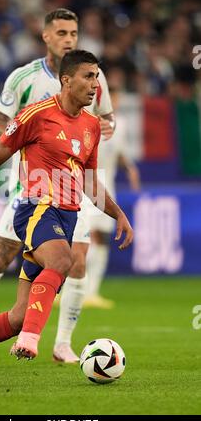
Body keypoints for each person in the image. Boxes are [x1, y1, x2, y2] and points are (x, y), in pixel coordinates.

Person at [0, 50, 133, 382]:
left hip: (68, 215)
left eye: (97, 77)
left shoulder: (91, 125)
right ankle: (31, 339)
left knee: (19, 315)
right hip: (36, 209)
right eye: (89, 76)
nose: (95, 84)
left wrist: (118, 214)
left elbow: (90, 181)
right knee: (63, 260)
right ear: (67, 79)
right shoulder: (35, 114)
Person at [0, 8, 116, 364]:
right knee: (0, 256)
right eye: (61, 33)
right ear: (46, 36)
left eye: (73, 33)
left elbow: (104, 119)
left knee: (77, 262)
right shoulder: (23, 77)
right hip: (30, 182)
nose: (68, 39)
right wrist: (31, 138)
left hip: (75, 183)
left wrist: (107, 127)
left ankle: (62, 344)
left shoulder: (92, 79)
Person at [84, 88, 141, 308]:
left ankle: (91, 292)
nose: (112, 101)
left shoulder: (120, 124)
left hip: (108, 184)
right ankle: (70, 287)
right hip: (86, 183)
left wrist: (129, 168)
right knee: (82, 237)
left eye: (115, 98)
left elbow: (119, 152)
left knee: (102, 237)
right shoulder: (85, 118)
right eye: (109, 97)